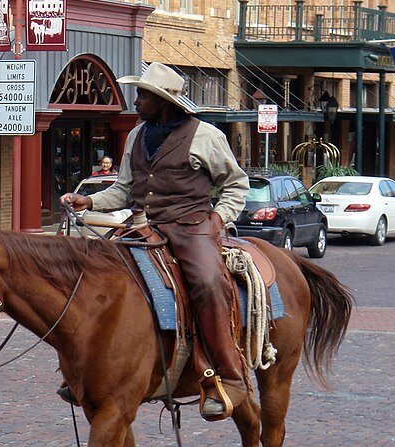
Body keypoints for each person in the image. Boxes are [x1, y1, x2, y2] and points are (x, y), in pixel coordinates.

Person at [59, 62, 251, 421]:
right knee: (96, 275)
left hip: (192, 228)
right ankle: (91, 368)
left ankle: (229, 375)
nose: (137, 100)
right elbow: (124, 189)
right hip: (143, 227)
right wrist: (89, 201)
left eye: (143, 95)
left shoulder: (205, 136)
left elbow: (236, 184)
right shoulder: (136, 135)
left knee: (208, 284)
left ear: (164, 101)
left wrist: (218, 220)